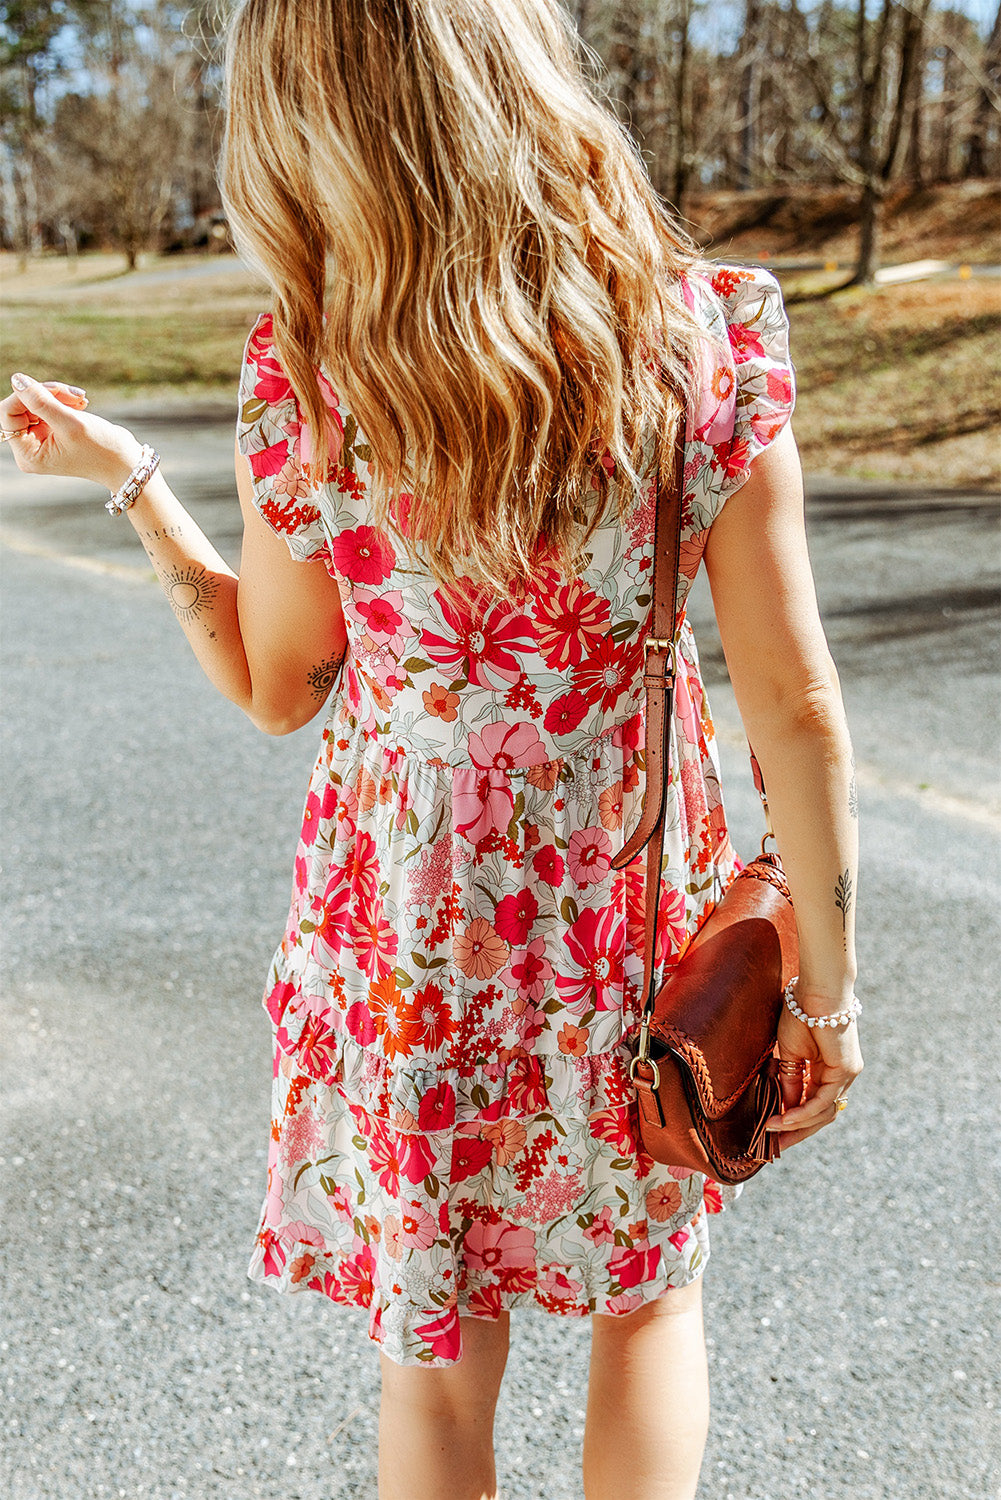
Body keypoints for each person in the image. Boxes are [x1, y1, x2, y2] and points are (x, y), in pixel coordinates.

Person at [1, 2, 862, 1497]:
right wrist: (830, 1005)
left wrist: (136, 482)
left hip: (415, 937)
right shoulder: (698, 334)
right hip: (621, 907)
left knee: (438, 1367)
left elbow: (279, 689)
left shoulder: (316, 378)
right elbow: (796, 707)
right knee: (647, 1303)